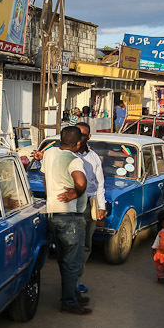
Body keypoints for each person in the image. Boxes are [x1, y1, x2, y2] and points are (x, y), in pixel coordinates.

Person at [42, 125, 91, 315]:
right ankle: (69, 302)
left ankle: (73, 295)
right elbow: (81, 182)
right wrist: (75, 193)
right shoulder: (73, 160)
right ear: (78, 144)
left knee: (64, 259)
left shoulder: (51, 153)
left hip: (53, 214)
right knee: (73, 261)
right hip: (69, 217)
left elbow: (46, 179)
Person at [75, 122, 106, 294]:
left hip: (89, 204)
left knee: (86, 243)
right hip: (71, 204)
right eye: (77, 134)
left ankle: (78, 280)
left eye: (84, 134)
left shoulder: (93, 157)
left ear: (89, 137)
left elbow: (100, 184)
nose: (80, 137)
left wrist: (101, 206)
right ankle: (69, 281)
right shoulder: (65, 155)